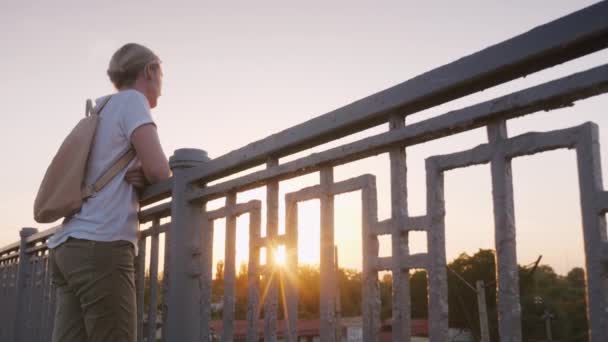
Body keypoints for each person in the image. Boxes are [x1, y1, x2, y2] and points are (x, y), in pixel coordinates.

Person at [47, 43, 171, 342]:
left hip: (68, 246)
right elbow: (160, 171)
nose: (163, 87)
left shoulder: (100, 109)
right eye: (161, 74)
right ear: (149, 71)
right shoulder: (133, 102)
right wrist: (150, 172)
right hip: (101, 247)